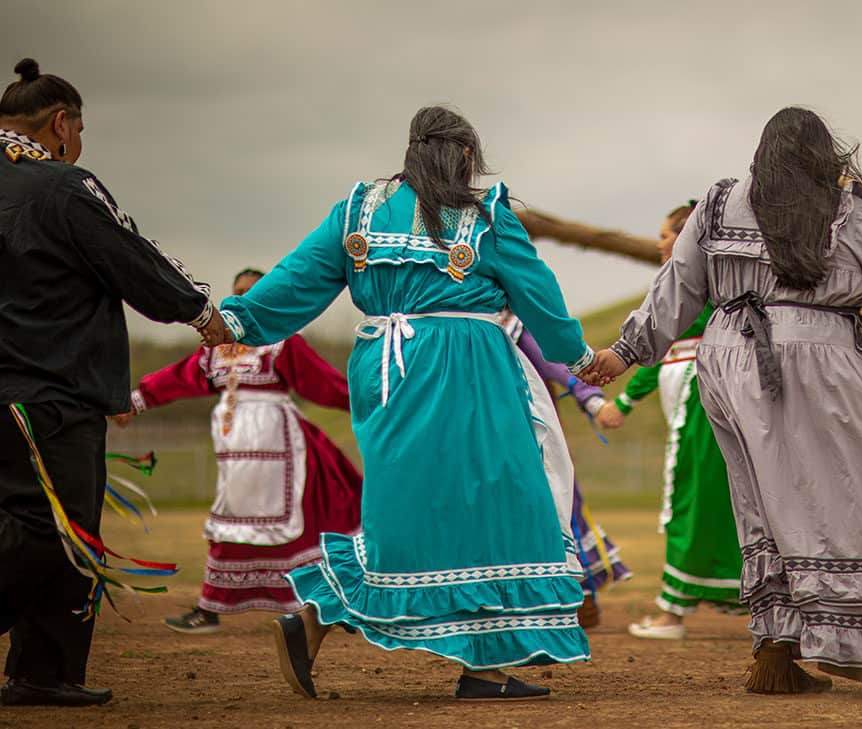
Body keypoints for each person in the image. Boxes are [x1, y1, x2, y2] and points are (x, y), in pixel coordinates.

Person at [581, 107, 862, 693]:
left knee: (763, 503)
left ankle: (778, 652)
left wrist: (625, 350)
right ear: (824, 154)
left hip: (732, 359)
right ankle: (850, 645)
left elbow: (678, 287)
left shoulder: (717, 203)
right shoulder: (846, 207)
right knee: (847, 496)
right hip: (827, 357)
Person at [216, 106, 595, 701]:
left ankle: (319, 623)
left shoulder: (358, 208)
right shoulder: (486, 213)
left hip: (387, 368)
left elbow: (298, 280)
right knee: (499, 500)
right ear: (465, 155)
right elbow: (538, 294)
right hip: (467, 366)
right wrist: (578, 357)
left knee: (409, 509)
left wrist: (237, 319)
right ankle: (482, 669)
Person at [0, 58, 225, 706]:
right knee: (53, 535)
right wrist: (200, 311)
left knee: (51, 533)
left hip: (26, 393)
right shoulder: (62, 186)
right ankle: (44, 668)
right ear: (62, 125)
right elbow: (129, 255)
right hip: (48, 394)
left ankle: (44, 671)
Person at [113, 269, 363, 633]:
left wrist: (373, 403)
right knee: (231, 524)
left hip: (280, 444)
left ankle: (325, 606)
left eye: (252, 291)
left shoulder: (282, 341)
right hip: (236, 450)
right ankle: (211, 607)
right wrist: (136, 401)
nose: (243, 298)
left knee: (305, 523)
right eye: (238, 292)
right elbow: (181, 377)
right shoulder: (216, 349)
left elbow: (324, 384)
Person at [597, 201, 745, 640]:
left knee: (691, 496)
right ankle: (749, 594)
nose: (659, 242)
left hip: (700, 394)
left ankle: (671, 610)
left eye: (666, 234)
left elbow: (655, 348)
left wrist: (622, 401)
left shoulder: (688, 282)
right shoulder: (710, 279)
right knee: (720, 500)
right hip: (706, 389)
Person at [502, 313, 631, 628]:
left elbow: (552, 355)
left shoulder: (511, 322)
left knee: (555, 499)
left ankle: (577, 593)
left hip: (526, 426)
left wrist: (592, 400)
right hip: (478, 424)